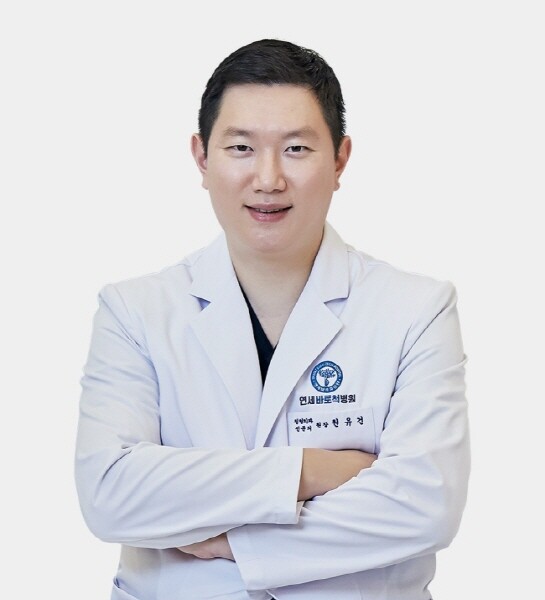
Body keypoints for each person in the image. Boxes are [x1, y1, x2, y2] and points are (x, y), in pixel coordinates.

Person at [75, 38, 470, 600]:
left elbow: (425, 506)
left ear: (340, 159)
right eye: (241, 147)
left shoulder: (416, 310)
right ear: (201, 157)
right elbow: (110, 493)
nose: (268, 179)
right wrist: (311, 471)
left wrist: (236, 541)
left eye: (296, 149)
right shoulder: (135, 311)